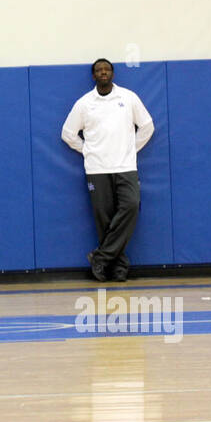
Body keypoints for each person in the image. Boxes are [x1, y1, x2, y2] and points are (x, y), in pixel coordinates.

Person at [61, 59, 154, 282]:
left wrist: (131, 148)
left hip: (126, 166)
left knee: (131, 207)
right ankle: (118, 267)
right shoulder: (84, 103)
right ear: (93, 76)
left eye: (107, 69)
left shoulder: (128, 97)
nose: (103, 72)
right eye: (98, 70)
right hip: (97, 169)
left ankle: (101, 258)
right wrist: (88, 151)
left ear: (113, 73)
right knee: (105, 219)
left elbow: (147, 126)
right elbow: (68, 134)